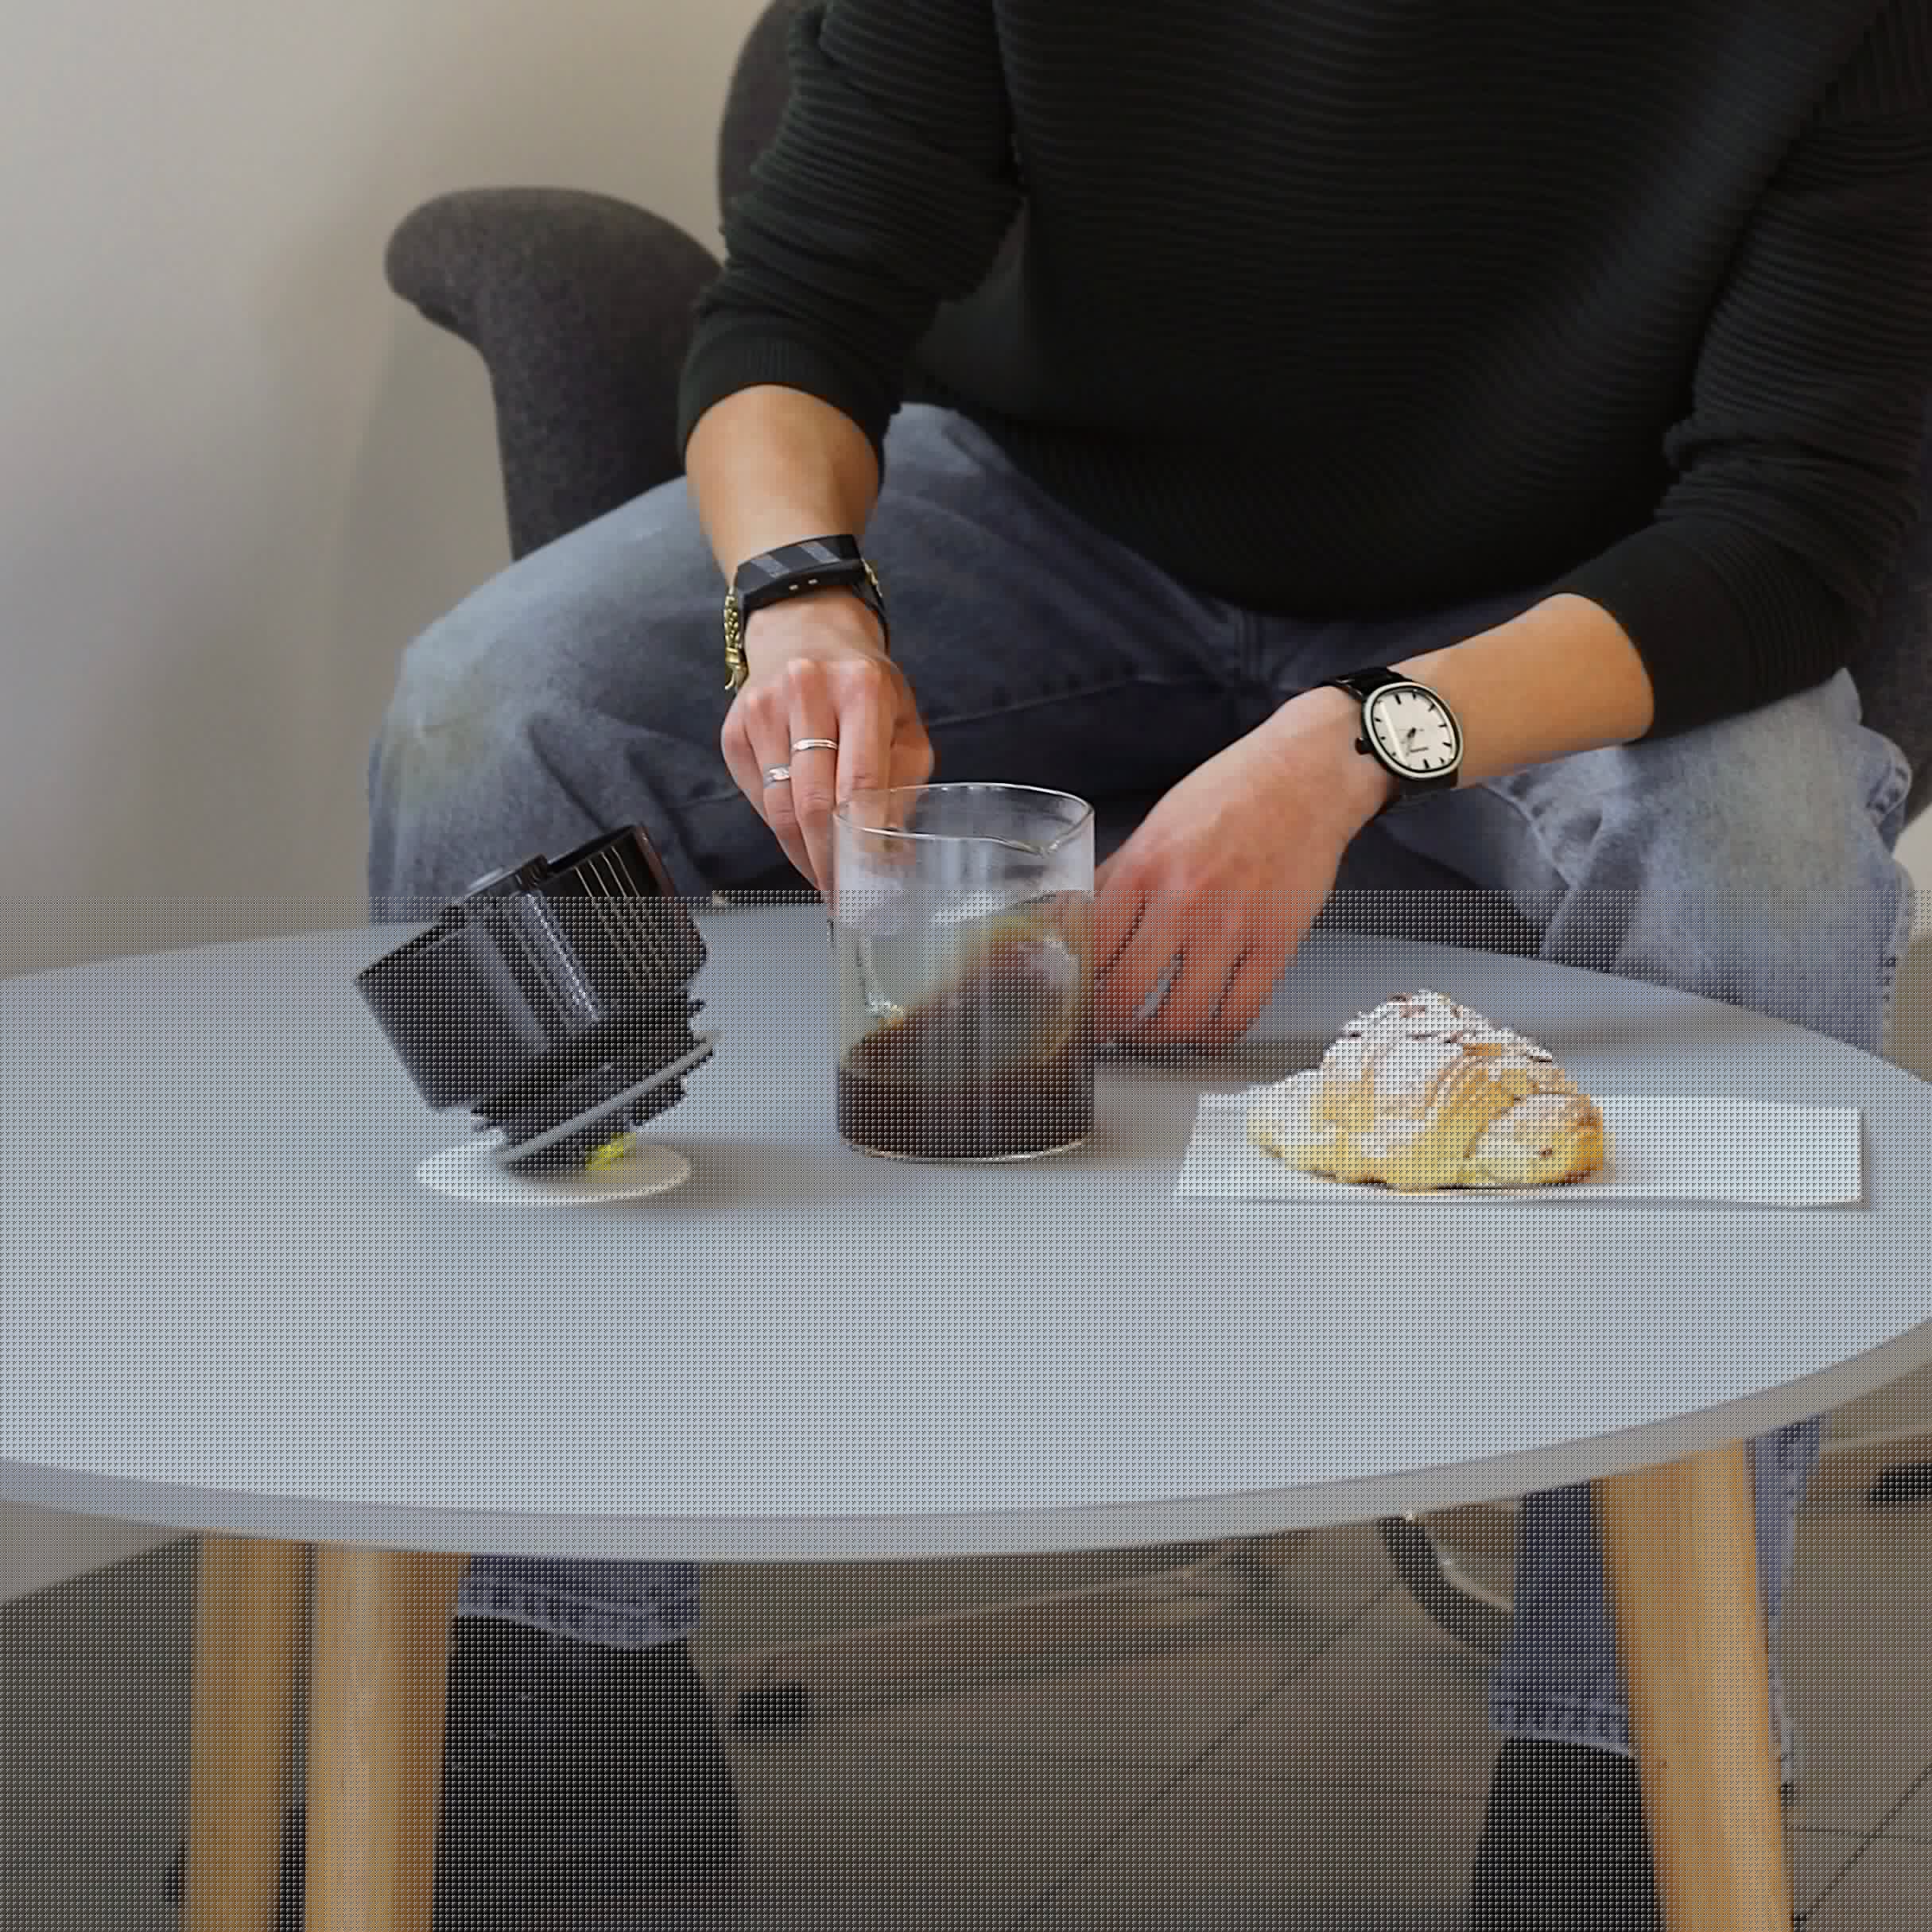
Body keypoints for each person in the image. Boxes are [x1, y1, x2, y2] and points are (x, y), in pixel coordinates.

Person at [354, 2, 1930, 1926]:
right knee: (491, 718)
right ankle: (562, 1683)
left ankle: (1620, 1770)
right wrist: (797, 603)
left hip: (1552, 608)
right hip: (1046, 518)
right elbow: (801, 303)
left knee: (1767, 858)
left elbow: (1789, 532)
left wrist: (1357, 742)